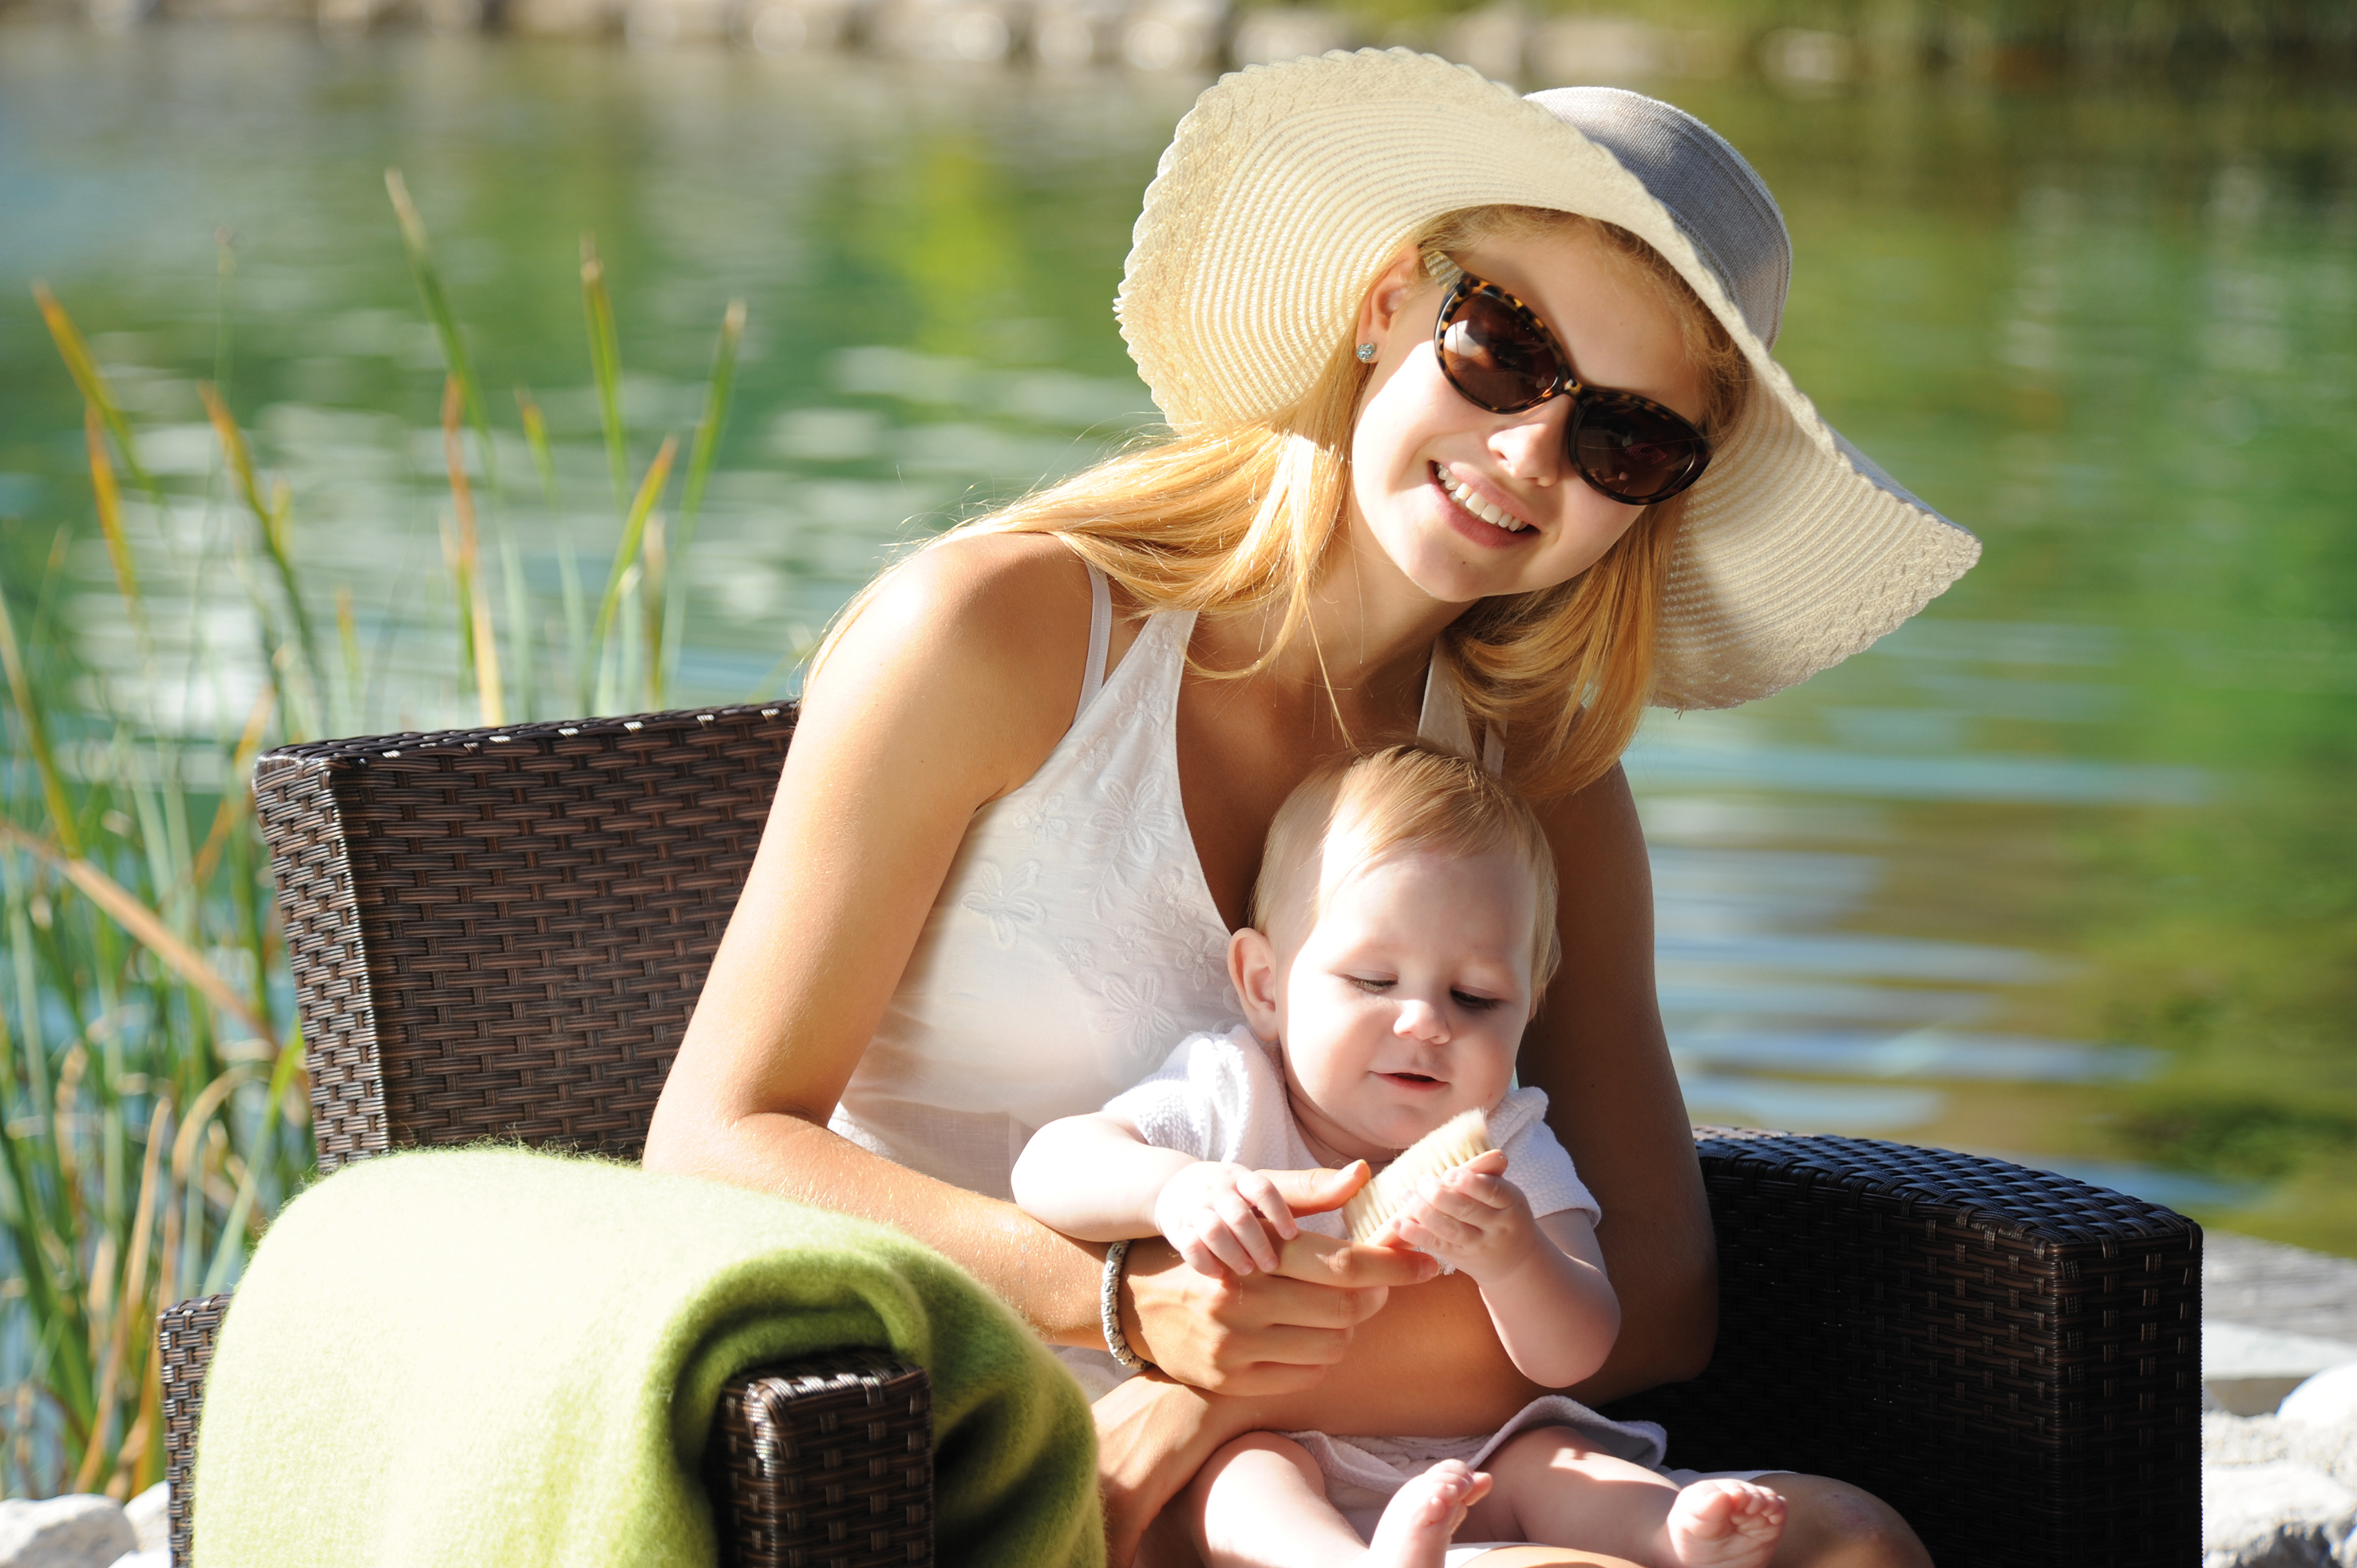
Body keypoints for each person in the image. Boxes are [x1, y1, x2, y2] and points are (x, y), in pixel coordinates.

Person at [643, 47, 1978, 1567]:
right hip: (965, 1439)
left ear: (1656, 494)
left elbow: (1661, 1297)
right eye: (1503, 347)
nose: (1527, 450)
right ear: (1387, 306)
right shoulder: (996, 633)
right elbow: (711, 1144)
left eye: (1623, 437)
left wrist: (1211, 1389)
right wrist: (1116, 1306)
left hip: (1351, 1451)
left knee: (1853, 1545)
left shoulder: (1532, 780)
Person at [1011, 743, 1791, 1568]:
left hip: (1474, 1462)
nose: (1424, 1022)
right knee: (1251, 1478)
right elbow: (1050, 1166)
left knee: (1559, 1464)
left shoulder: (1507, 1146)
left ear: (1529, 1009)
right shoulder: (1228, 1090)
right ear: (1266, 986)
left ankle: (1669, 1536)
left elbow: (1576, 1353)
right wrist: (1174, 1191)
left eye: (1475, 997)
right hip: (1271, 1445)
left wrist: (1516, 1257)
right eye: (1374, 981)